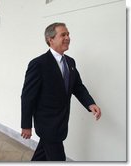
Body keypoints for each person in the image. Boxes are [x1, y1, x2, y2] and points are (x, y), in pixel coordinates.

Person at [20, 22, 101, 161]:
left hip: (62, 121)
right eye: (63, 34)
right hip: (47, 124)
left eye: (68, 34)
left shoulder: (70, 62)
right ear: (50, 40)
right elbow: (27, 97)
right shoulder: (38, 64)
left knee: (42, 155)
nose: (68, 37)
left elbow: (77, 86)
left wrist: (90, 103)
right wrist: (26, 125)